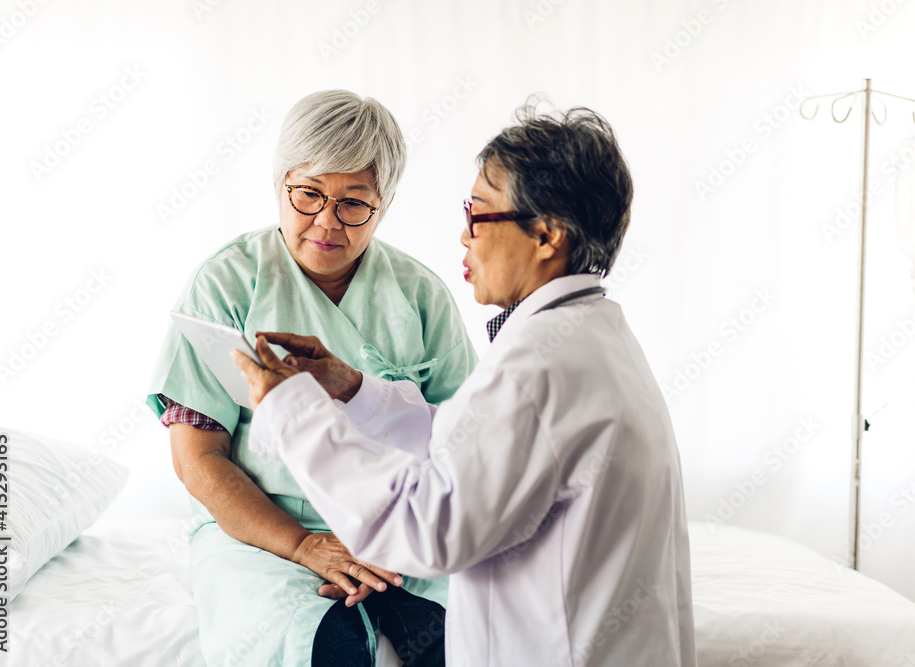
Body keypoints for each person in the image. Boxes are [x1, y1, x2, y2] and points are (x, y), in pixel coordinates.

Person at [234, 104, 697, 666]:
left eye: (478, 214)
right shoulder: (594, 337)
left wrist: (292, 411)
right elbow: (476, 449)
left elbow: (425, 528)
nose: (464, 235)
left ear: (547, 236)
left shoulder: (538, 368)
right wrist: (355, 389)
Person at [145, 90, 477, 666]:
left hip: (400, 532)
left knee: (463, 637)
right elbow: (197, 459)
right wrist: (303, 545)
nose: (327, 221)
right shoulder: (227, 285)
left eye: (354, 203)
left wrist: (398, 541)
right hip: (261, 536)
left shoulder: (422, 296)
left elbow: (466, 445)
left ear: (385, 203)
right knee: (323, 646)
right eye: (309, 195)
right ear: (280, 185)